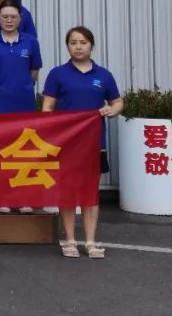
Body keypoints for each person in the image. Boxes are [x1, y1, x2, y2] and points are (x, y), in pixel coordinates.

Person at [41, 26, 123, 259]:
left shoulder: (103, 75)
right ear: (68, 46)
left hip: (94, 143)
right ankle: (69, 239)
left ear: (91, 46)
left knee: (90, 192)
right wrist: (50, 133)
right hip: (66, 143)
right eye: (73, 43)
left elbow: (117, 101)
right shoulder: (57, 74)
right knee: (67, 190)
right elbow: (48, 107)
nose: (78, 47)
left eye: (83, 42)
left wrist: (112, 110)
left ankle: (90, 241)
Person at [0, 1, 42, 114]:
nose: (9, 20)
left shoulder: (31, 41)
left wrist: (24, 85)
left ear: (20, 18)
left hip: (24, 98)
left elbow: (34, 71)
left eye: (13, 17)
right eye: (5, 17)